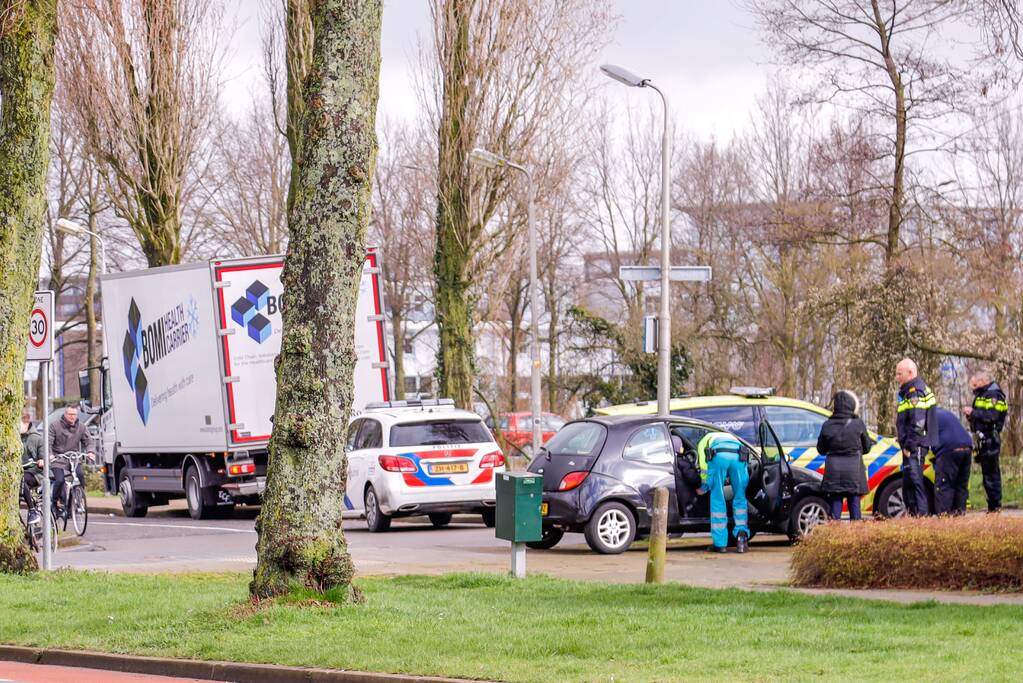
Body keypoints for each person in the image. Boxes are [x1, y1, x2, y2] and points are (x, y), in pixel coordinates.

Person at [816, 390, 871, 521]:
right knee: (854, 503)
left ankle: (835, 535)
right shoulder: (858, 424)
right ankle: (854, 538)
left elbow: (821, 449)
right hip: (854, 472)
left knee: (835, 503)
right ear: (851, 405)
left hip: (833, 472)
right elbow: (867, 447)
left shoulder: (827, 425)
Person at [894, 358, 937, 516]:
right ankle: (914, 517)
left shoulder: (915, 392)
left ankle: (921, 519)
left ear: (910, 373)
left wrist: (908, 446)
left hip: (915, 446)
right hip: (913, 445)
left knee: (915, 483)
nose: (897, 377)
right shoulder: (910, 391)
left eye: (899, 374)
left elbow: (917, 423)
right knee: (909, 485)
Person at [695, 431, 749, 553]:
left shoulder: (703, 442)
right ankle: (741, 539)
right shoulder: (732, 437)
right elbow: (745, 477)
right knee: (740, 498)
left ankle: (720, 544)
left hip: (718, 455)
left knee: (718, 499)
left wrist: (704, 488)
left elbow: (705, 470)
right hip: (739, 454)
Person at [964, 370, 1008, 513]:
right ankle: (992, 506)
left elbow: (992, 416)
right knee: (987, 474)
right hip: (983, 439)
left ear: (983, 382)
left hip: (990, 440)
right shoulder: (983, 394)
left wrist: (973, 413)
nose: (973, 388)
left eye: (975, 384)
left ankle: (995, 507)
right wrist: (971, 417)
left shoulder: (994, 394)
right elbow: (981, 417)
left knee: (991, 475)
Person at [48, 405, 94, 511]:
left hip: (73, 458)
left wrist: (90, 452)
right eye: (70, 414)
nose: (73, 417)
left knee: (80, 475)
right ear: (65, 414)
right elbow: (48, 443)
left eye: (74, 414)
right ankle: (54, 503)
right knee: (60, 480)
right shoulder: (55, 426)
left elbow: (89, 441)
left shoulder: (81, 427)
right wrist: (50, 455)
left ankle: (78, 499)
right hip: (58, 459)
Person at [932, 407, 972, 515]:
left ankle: (945, 522)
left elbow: (924, 439)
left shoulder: (927, 415)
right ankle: (959, 518)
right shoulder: (944, 413)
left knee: (944, 486)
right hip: (967, 447)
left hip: (949, 449)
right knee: (961, 485)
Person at [670, 430, 702, 519]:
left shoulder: (674, 460)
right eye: (681, 446)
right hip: (688, 504)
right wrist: (699, 479)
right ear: (679, 448)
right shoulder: (682, 462)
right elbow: (693, 478)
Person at [20, 413, 43, 513]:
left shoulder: (37, 438)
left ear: (26, 423)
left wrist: (42, 460)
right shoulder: (15, 438)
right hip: (21, 471)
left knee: (21, 480)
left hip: (36, 473)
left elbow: (43, 453)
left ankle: (32, 510)